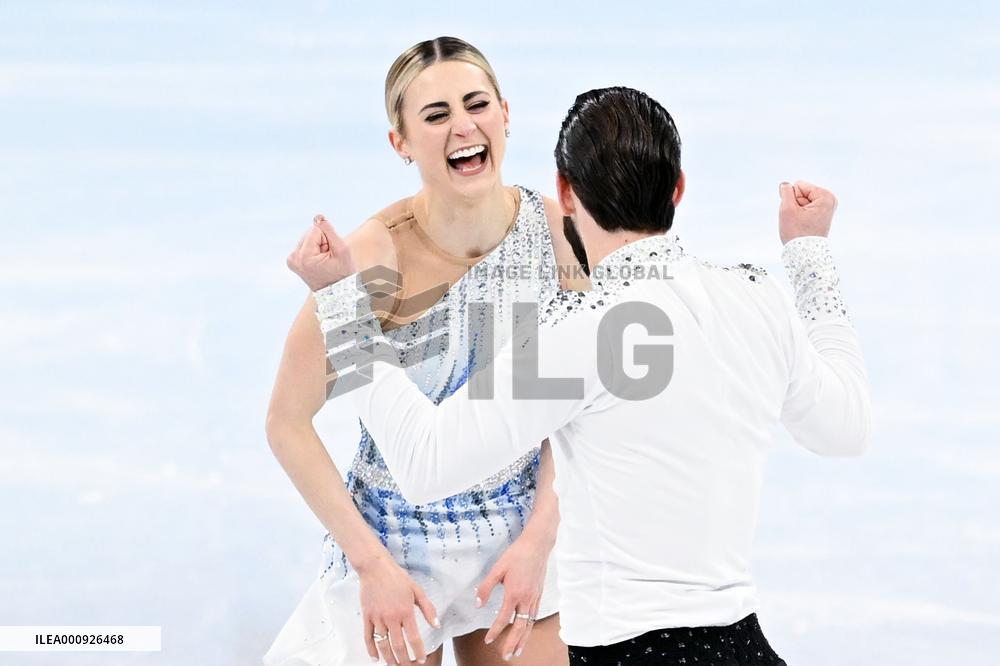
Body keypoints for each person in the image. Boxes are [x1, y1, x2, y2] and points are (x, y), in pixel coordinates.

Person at [291, 87, 871, 665]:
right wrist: (809, 254)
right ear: (678, 188)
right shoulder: (755, 296)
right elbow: (845, 429)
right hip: (747, 649)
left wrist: (344, 305)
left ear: (566, 193)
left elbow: (424, 460)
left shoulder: (585, 329)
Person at [264, 37, 587, 666]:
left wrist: (541, 537)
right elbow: (286, 423)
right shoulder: (369, 260)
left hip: (519, 535)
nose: (463, 127)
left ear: (505, 113)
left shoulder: (559, 236)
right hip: (396, 548)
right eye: (436, 116)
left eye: (476, 105)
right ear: (401, 142)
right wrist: (370, 566)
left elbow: (573, 406)